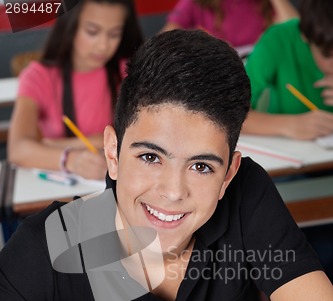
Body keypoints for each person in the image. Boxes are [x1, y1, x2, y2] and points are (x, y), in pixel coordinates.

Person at [1, 29, 333, 301]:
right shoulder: (58, 242)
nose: (173, 192)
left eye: (200, 166)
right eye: (150, 157)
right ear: (113, 153)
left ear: (229, 173)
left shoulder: (244, 195)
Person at [7, 0, 143, 180]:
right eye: (92, 32)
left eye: (114, 34)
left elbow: (138, 136)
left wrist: (56, 145)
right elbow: (18, 149)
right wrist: (71, 160)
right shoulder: (38, 76)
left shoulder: (128, 71)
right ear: (70, 26)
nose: (103, 45)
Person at [242, 0, 333, 139]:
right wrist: (289, 124)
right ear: (304, 36)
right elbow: (225, 113)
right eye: (328, 54)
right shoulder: (277, 41)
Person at [161, 0, 298, 52]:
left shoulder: (264, 4)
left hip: (260, 74)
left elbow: (296, 32)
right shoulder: (195, 3)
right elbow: (166, 37)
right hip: (218, 73)